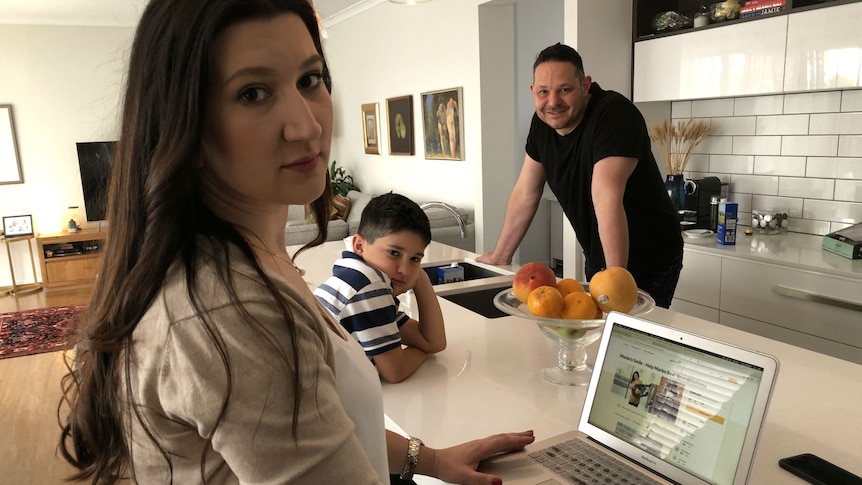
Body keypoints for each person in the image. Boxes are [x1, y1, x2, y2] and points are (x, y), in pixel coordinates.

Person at [57, 1, 534, 484]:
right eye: (253, 92)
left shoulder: (251, 263)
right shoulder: (236, 311)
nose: (307, 126)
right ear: (186, 124)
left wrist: (428, 461)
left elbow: (324, 428)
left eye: (310, 79)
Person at [477, 43, 683, 308]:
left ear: (585, 86)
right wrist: (499, 256)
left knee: (630, 340)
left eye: (564, 89)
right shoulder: (542, 124)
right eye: (543, 92)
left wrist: (615, 281)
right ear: (533, 91)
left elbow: (606, 194)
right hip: (600, 253)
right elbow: (526, 193)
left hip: (651, 254)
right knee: (597, 336)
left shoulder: (615, 114)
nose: (553, 102)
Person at [315, 192, 446, 384]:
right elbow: (395, 371)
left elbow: (433, 341)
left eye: (415, 259)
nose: (404, 270)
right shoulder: (369, 286)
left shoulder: (354, 276)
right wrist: (420, 352)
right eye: (394, 253)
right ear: (359, 245)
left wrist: (421, 279)